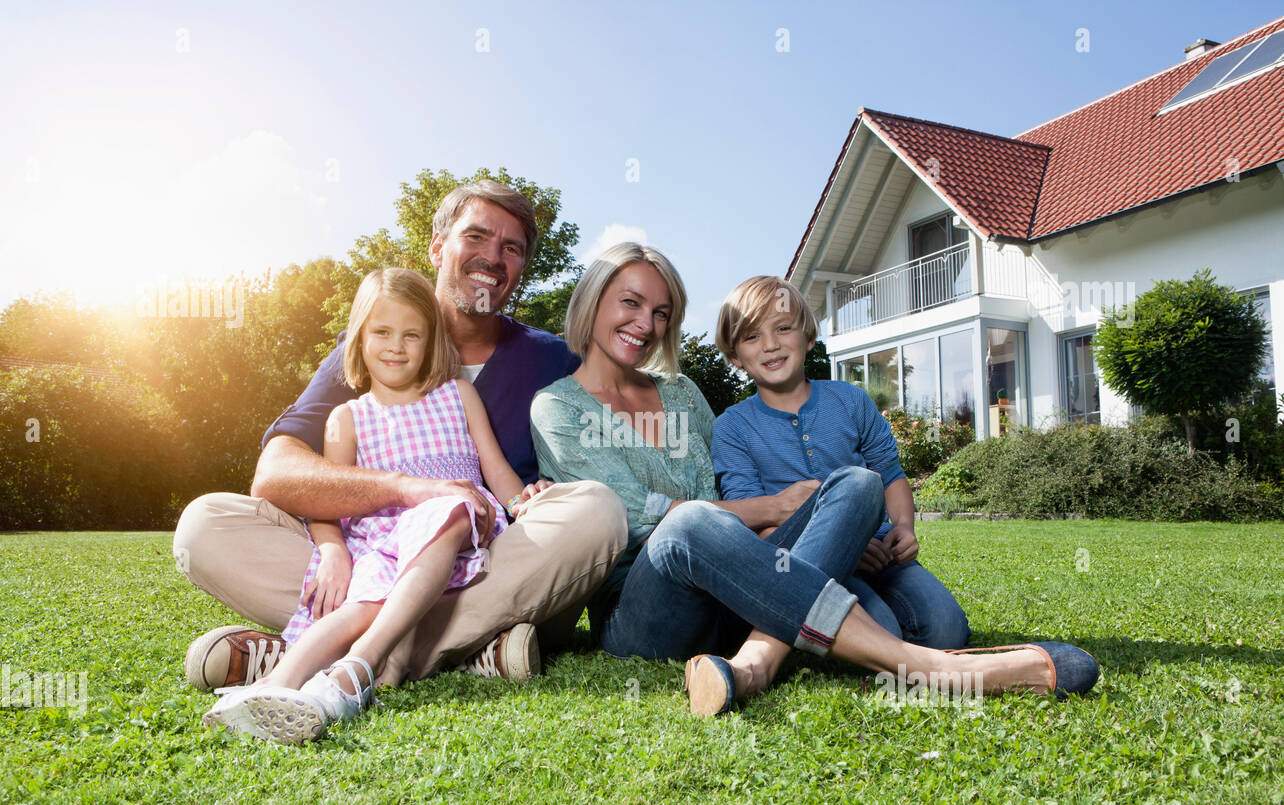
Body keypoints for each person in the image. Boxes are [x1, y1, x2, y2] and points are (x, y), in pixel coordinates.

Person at [530, 242, 1098, 715]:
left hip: (732, 595)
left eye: (661, 314)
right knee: (684, 523)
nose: (646, 325)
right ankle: (928, 667)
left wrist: (829, 521)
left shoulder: (681, 394)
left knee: (855, 483)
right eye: (631, 303)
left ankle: (758, 659)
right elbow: (641, 520)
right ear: (592, 300)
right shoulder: (556, 407)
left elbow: (726, 499)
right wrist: (777, 507)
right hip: (644, 614)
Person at [176, 180, 626, 692]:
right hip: (371, 558)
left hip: (486, 560)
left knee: (596, 511)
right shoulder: (369, 346)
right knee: (204, 525)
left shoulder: (554, 360)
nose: (493, 258)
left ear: (522, 266)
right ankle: (468, 650)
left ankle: (319, 655)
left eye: (511, 248)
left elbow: (591, 458)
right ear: (437, 246)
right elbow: (276, 475)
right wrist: (407, 491)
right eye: (476, 237)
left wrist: (534, 497)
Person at [204, 269, 553, 743]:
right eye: (382, 333)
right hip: (384, 542)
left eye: (412, 335)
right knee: (359, 607)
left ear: (431, 341)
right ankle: (276, 684)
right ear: (359, 338)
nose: (396, 346)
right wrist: (333, 552)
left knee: (450, 507)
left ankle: (356, 670)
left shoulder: (457, 394)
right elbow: (326, 503)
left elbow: (494, 468)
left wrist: (520, 500)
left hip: (461, 531)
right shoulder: (345, 418)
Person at [709, 275, 970, 694]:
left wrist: (903, 527)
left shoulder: (850, 401)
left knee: (947, 631)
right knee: (880, 630)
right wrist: (842, 538)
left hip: (882, 552)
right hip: (796, 558)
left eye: (783, 329)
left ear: (808, 338)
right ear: (736, 356)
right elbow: (753, 520)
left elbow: (891, 475)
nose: (771, 345)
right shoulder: (731, 427)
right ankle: (832, 626)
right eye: (752, 337)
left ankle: (834, 630)